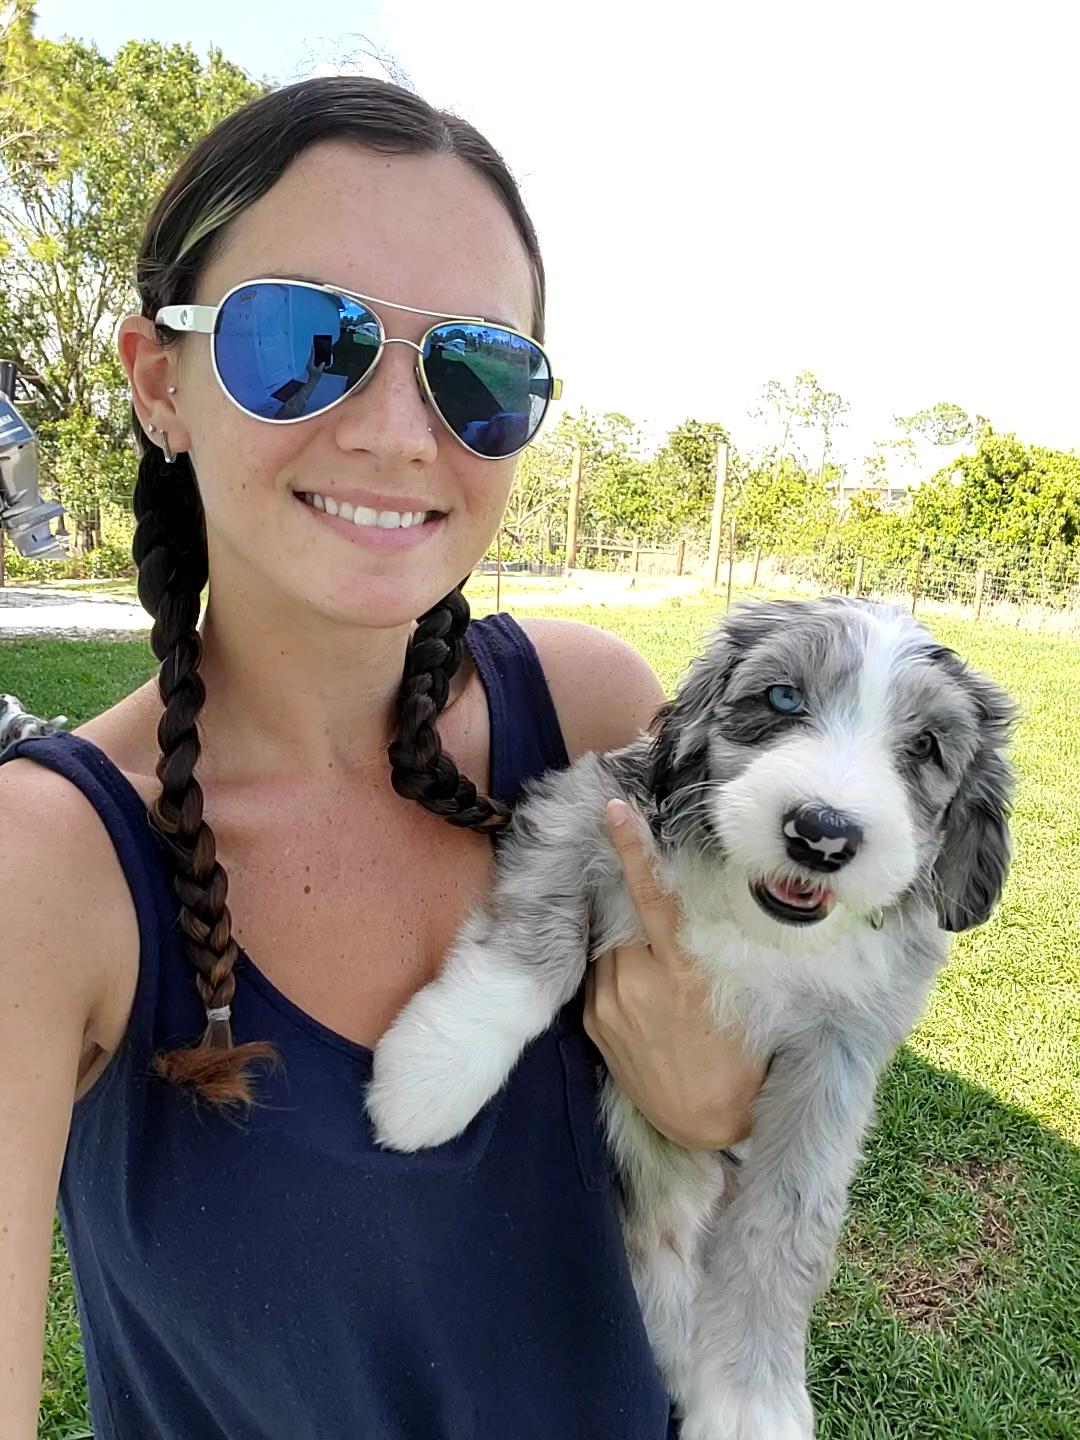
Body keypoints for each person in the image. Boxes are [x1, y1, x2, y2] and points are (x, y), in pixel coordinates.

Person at [0, 76, 764, 1440]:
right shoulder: (47, 869)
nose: (400, 431)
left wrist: (722, 1105)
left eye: (479, 370)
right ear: (160, 380)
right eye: (305, 338)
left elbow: (761, 1145)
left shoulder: (592, 717)